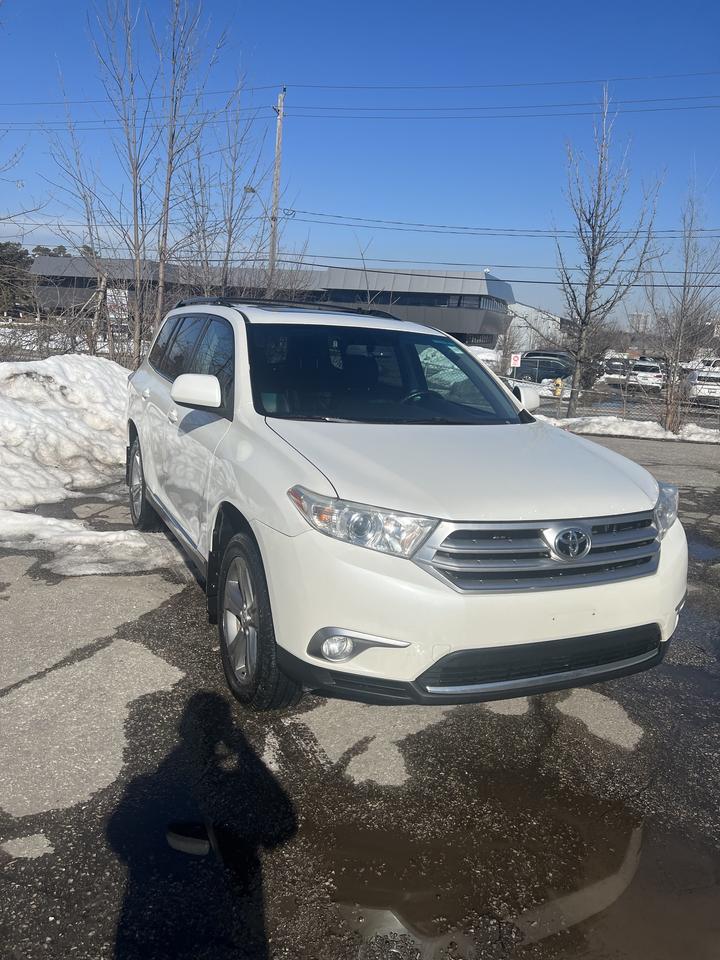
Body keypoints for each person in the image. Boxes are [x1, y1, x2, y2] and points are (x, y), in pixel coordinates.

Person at [107, 692, 296, 959]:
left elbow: (118, 833)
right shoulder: (179, 780)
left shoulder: (158, 781)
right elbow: (283, 828)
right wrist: (244, 751)